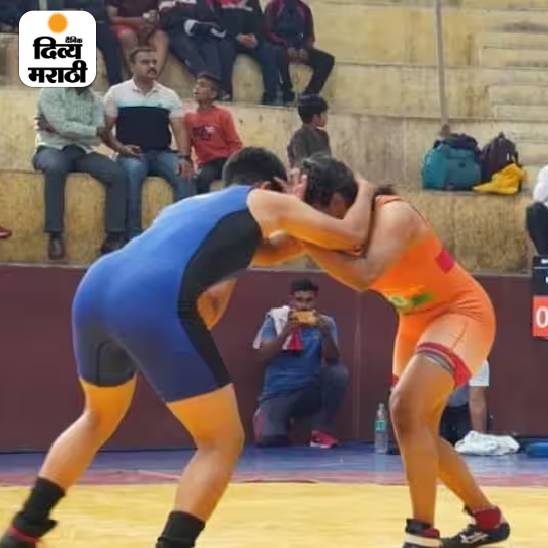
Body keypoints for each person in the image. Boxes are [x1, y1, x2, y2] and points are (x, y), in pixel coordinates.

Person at [0, 147, 376, 548]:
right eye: (286, 191)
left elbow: (277, 251)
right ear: (268, 185)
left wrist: (301, 222)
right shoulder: (265, 200)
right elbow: (351, 236)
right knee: (221, 442)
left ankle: (24, 530)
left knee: (96, 417)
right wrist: (366, 189)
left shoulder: (191, 208)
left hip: (95, 290)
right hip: (151, 298)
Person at [287, 154, 510, 548]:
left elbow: (364, 275)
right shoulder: (347, 220)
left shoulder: (394, 215)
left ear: (337, 201)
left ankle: (422, 533)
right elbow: (274, 246)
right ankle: (487, 518)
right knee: (413, 425)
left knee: (405, 409)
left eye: (315, 212)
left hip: (461, 312)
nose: (315, 224)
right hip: (415, 319)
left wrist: (300, 230)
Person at [103, 47, 195, 239]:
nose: (152, 66)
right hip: (130, 154)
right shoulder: (117, 92)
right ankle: (133, 236)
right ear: (132, 66)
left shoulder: (168, 95)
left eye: (154, 62)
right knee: (132, 172)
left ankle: (181, 234)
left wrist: (184, 157)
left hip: (162, 153)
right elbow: (104, 130)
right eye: (145, 62)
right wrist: (120, 148)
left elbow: (180, 130)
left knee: (185, 175)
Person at [33, 87, 128, 260]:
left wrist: (64, 129)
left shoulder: (95, 100)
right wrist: (90, 130)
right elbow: (69, 127)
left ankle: (114, 237)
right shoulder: (51, 92)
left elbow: (97, 138)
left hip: (82, 151)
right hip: (51, 148)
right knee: (55, 167)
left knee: (117, 174)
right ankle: (55, 235)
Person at [252, 278, 348, 449]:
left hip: (310, 390)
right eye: (299, 300)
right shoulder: (276, 320)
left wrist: (326, 335)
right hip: (279, 391)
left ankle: (321, 432)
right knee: (271, 442)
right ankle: (270, 418)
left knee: (338, 372)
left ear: (315, 300)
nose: (304, 306)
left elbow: (332, 359)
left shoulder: (326, 323)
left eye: (309, 300)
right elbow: (262, 356)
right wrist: (285, 333)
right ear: (291, 300)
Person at [263, 0, 335, 104]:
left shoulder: (304, 9)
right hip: (279, 45)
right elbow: (268, 33)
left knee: (327, 60)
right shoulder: (274, 6)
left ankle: (309, 94)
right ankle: (286, 91)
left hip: (299, 47)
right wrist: (287, 46)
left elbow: (310, 35)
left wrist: (304, 48)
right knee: (277, 54)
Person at [184, 73, 242, 194]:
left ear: (213, 94)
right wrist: (188, 161)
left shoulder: (223, 115)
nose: (197, 88)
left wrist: (233, 164)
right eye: (196, 84)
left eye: (202, 85)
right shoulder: (189, 118)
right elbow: (187, 145)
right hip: (206, 163)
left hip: (224, 160)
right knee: (201, 179)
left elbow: (234, 143)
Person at [217, 0, 282, 106]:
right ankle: (225, 92)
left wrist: (255, 37)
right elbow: (217, 21)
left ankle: (271, 95)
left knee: (269, 51)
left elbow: (260, 23)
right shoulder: (219, 1)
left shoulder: (253, 2)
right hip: (229, 38)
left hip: (250, 40)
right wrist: (237, 36)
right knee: (224, 49)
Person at [107, 0, 170, 75]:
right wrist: (134, 21)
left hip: (146, 24)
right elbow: (111, 18)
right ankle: (136, 77)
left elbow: (156, 12)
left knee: (161, 37)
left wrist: (152, 19)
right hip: (123, 24)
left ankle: (152, 76)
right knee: (128, 36)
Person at [287, 94, 331, 168]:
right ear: (315, 117)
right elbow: (301, 163)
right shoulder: (299, 136)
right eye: (324, 114)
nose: (326, 117)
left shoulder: (324, 136)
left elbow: (329, 162)